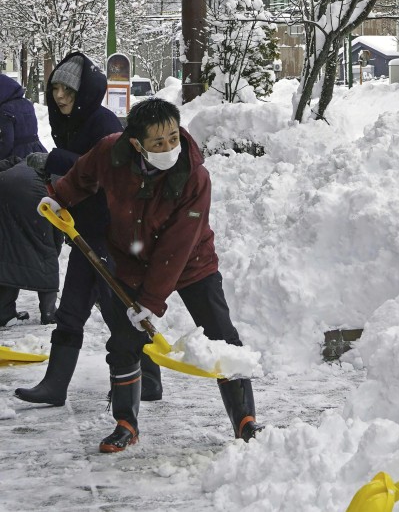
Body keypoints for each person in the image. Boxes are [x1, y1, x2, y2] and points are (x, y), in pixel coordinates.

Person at [40, 98, 259, 453]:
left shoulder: (194, 175)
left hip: (191, 262)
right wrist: (59, 197)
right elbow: (83, 175)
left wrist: (151, 302)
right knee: (124, 341)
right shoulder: (111, 153)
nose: (169, 147)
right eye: (158, 143)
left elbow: (177, 245)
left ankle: (245, 420)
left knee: (222, 336)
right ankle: (126, 422)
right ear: (135, 143)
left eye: (174, 137)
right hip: (131, 260)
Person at [16, 52, 164, 406]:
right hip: (86, 232)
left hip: (112, 235)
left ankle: (149, 378)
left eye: (68, 89)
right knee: (72, 310)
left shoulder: (104, 123)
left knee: (118, 310)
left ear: (82, 91)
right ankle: (55, 386)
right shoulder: (70, 123)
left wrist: (54, 161)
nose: (60, 97)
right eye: (55, 89)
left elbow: (107, 173)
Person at [0, 72, 58, 326]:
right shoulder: (24, 104)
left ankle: (5, 311)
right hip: (36, 160)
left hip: (14, 169)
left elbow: (5, 143)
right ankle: (47, 310)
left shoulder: (4, 111)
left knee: (10, 244)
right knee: (44, 242)